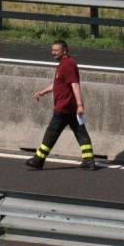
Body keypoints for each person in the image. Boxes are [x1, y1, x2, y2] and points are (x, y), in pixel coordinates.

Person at [26, 40, 96, 170]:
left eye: (56, 50)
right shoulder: (63, 64)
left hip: (64, 107)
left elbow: (75, 84)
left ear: (65, 50)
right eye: (52, 50)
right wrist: (42, 92)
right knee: (80, 132)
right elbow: (58, 84)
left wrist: (80, 105)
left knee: (51, 133)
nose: (53, 53)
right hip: (70, 108)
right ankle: (89, 160)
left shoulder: (67, 64)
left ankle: (38, 159)